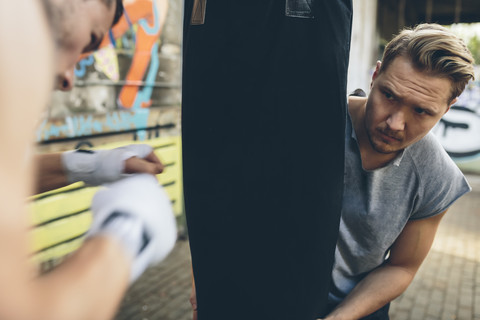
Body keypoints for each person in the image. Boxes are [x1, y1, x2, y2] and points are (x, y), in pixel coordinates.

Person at [0, 0, 176, 319]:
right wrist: (129, 233)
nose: (69, 79)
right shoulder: (14, 33)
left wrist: (93, 164)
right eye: (90, 40)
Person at [321, 23, 475, 320]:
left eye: (421, 111)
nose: (395, 123)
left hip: (357, 305)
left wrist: (339, 317)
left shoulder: (437, 177)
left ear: (447, 108)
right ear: (375, 75)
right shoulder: (313, 121)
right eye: (390, 95)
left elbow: (402, 265)